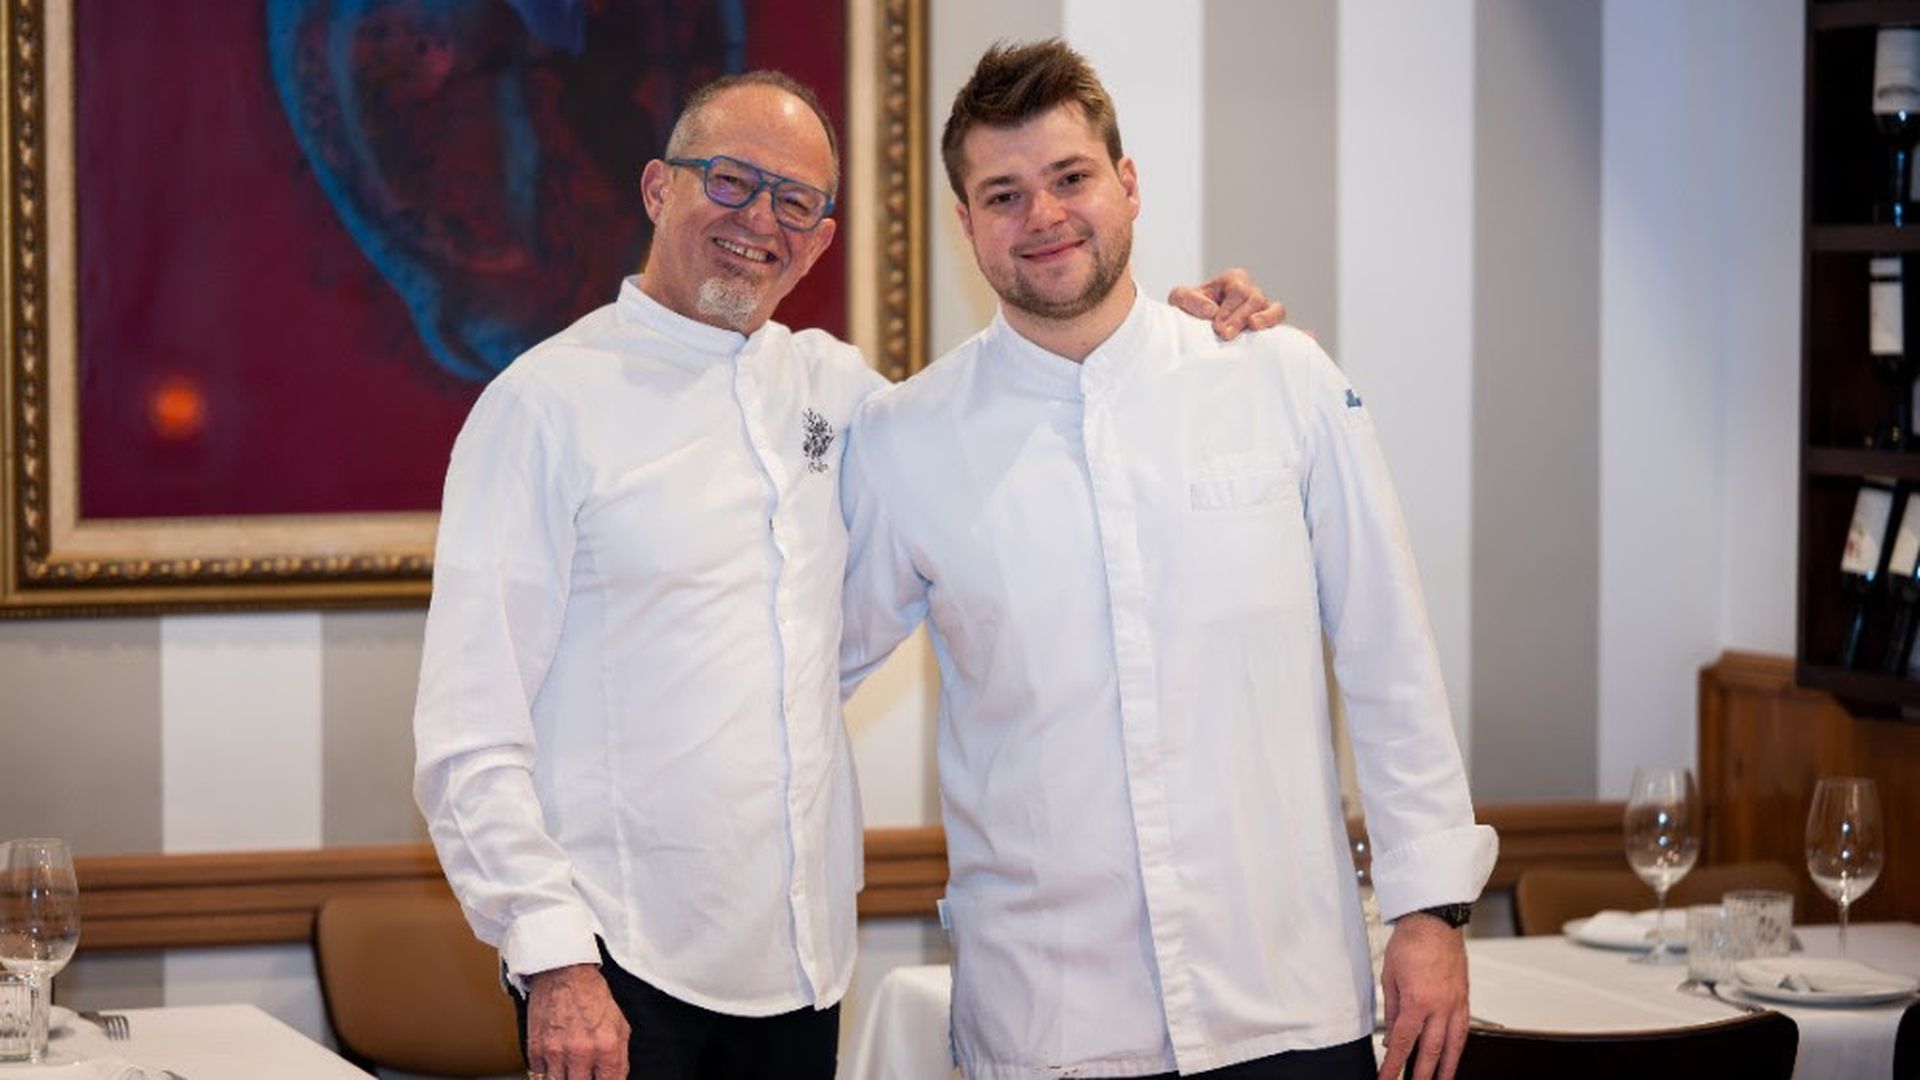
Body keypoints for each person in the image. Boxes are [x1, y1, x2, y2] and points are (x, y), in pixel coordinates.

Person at [412, 69, 1287, 1080]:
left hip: (804, 967)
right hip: (615, 967)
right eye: (730, 180)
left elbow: (1008, 420)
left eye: (795, 202)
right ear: (658, 188)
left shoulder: (840, 394)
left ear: (821, 239)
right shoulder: (542, 408)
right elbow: (468, 735)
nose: (759, 220)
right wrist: (553, 958)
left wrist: (1176, 346)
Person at [839, 41, 1498, 1080]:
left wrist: (1431, 913)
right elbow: (797, 678)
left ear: (1129, 183)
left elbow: (1390, 657)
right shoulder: (904, 441)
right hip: (1051, 1023)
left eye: (1071, 177)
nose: (1044, 215)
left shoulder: (1278, 380)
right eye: (1003, 195)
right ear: (965, 224)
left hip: (1287, 1002)